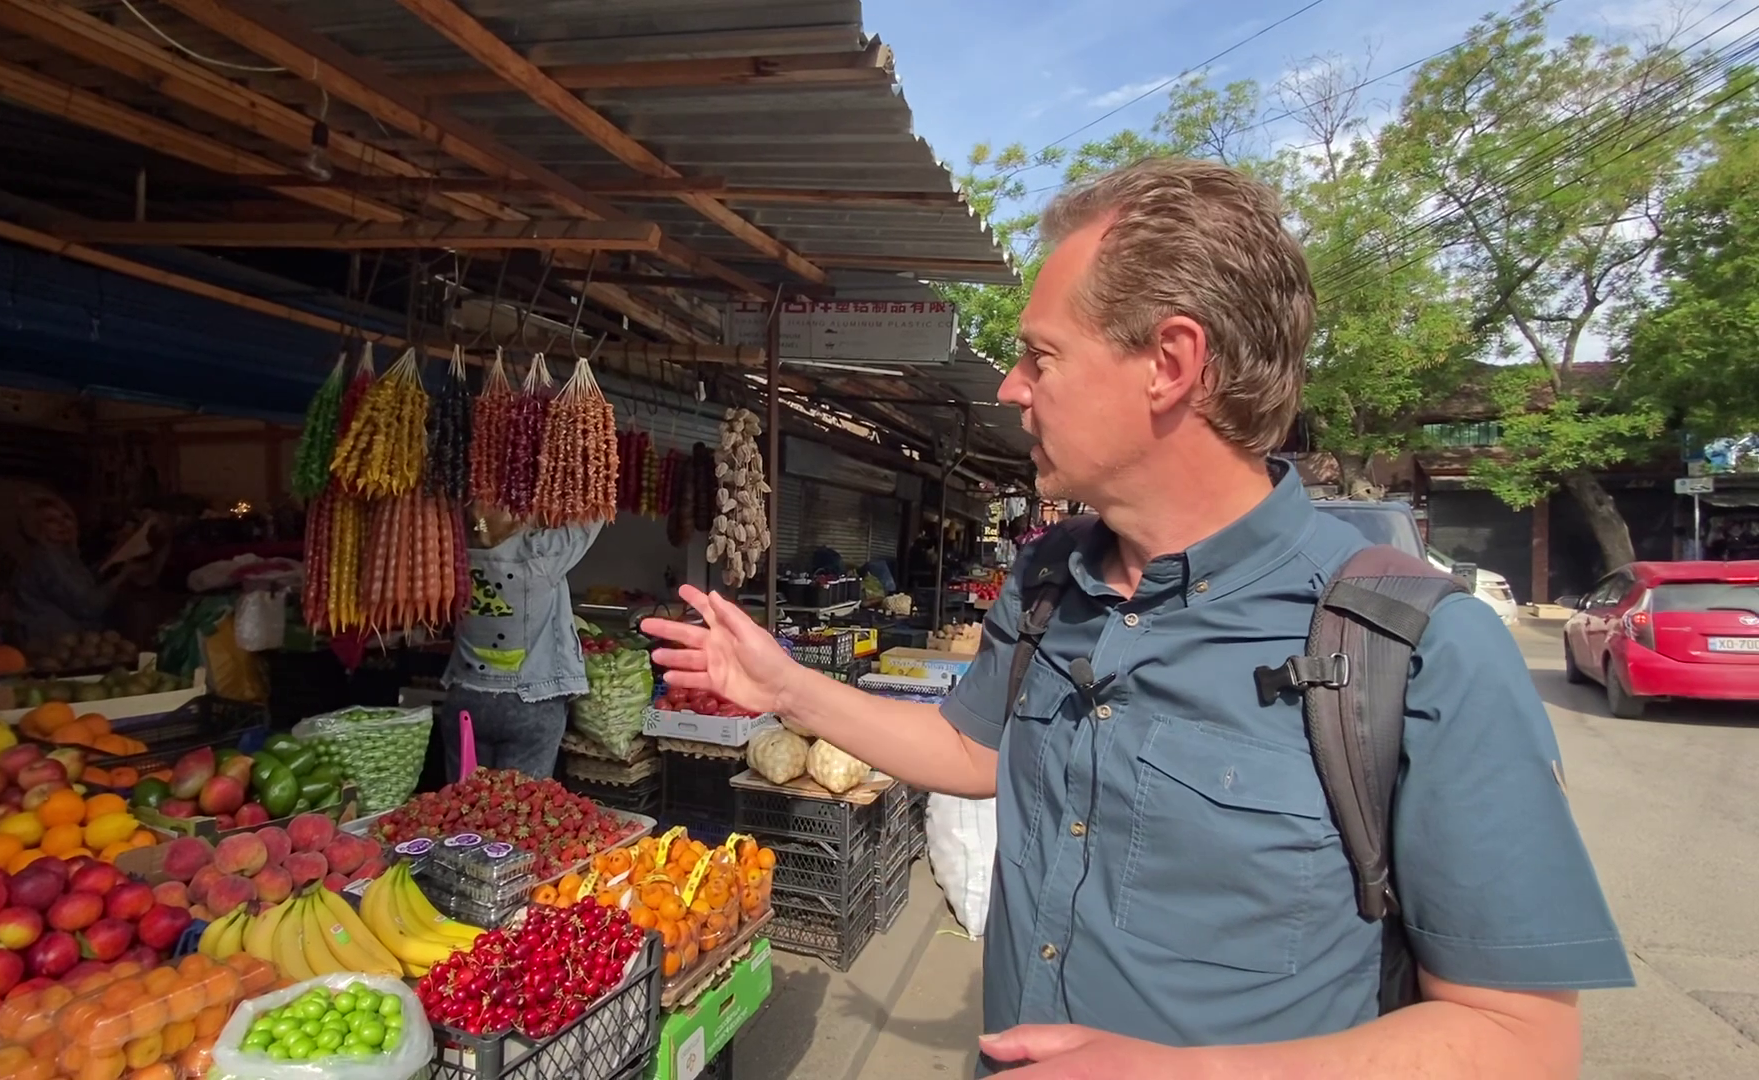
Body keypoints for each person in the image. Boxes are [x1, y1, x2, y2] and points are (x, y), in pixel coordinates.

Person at [644, 158, 1631, 1079]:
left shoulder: (1411, 649)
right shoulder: (1046, 582)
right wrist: (785, 686)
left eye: (1040, 356)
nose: (1010, 388)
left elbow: (1520, 1038)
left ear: (1169, 363)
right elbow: (970, 749)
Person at [439, 504, 602, 783]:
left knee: (464, 801)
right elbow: (594, 514)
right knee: (520, 805)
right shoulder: (540, 554)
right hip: (529, 701)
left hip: (466, 697)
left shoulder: (454, 550)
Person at [4, 492, 128, 650]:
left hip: (70, 643)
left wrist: (118, 553)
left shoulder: (61, 554)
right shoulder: (45, 558)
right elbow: (87, 605)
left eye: (66, 517)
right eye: (51, 520)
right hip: (53, 647)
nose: (62, 524)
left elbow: (83, 582)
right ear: (34, 527)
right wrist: (123, 576)